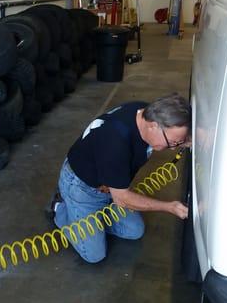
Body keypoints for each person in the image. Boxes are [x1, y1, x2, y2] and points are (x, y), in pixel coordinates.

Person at [50, 93, 191, 263]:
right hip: (82, 188)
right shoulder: (115, 142)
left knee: (134, 231)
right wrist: (170, 207)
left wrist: (184, 141)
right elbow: (123, 198)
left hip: (109, 186)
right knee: (94, 255)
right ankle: (60, 207)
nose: (171, 148)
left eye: (176, 143)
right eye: (172, 143)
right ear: (154, 126)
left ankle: (94, 221)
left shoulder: (145, 113)